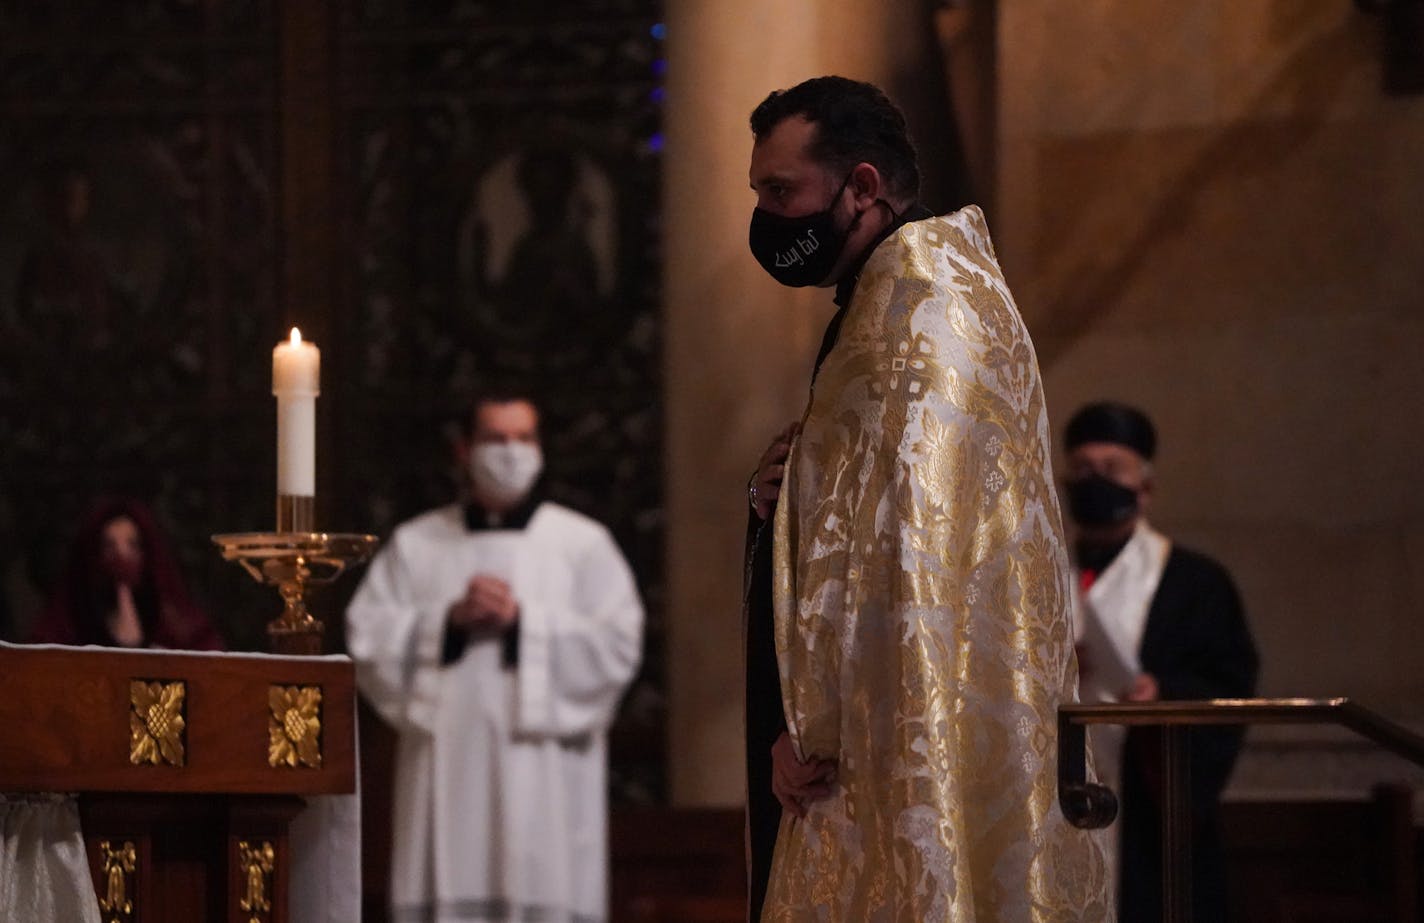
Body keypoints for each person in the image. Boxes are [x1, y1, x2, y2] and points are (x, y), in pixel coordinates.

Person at [743, 76, 1109, 922]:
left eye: (781, 190)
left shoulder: (922, 314)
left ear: (862, 187)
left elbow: (904, 559)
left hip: (877, 747)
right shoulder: (902, 297)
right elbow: (858, 516)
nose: (767, 217)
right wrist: (783, 498)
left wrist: (809, 728)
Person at [345, 391, 643, 923]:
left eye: (523, 438)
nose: (510, 452)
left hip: (548, 785)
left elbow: (617, 645)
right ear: (464, 450)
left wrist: (525, 623)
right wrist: (448, 622)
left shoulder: (583, 545)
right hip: (446, 776)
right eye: (495, 439)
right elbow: (368, 638)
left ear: (542, 449)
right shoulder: (416, 545)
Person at [1062, 401, 1258, 923]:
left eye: (1111, 470)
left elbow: (1228, 680)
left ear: (1144, 487)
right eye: (1082, 470)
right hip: (1056, 802)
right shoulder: (1039, 579)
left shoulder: (1195, 583)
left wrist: (1164, 692)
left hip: (1150, 822)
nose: (1094, 481)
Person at [27, 497, 223, 650]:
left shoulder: (177, 622)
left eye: (133, 545)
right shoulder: (67, 621)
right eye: (109, 546)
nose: (122, 557)